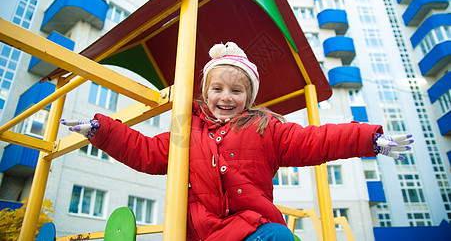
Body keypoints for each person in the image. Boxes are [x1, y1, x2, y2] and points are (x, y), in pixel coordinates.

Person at [61, 42, 413, 241]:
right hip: (204, 233)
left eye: (236, 90)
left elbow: (317, 140)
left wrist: (370, 138)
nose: (226, 97)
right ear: (205, 93)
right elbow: (148, 152)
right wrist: (100, 130)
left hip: (251, 230)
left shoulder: (266, 129)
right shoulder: (189, 130)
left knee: (279, 238)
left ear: (249, 96)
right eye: (217, 89)